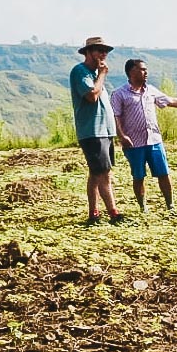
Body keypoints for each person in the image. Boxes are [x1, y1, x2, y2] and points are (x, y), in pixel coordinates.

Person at [110, 58, 177, 213]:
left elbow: (169, 100)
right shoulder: (119, 94)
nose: (146, 72)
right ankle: (143, 207)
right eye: (142, 69)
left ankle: (170, 205)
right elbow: (115, 116)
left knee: (163, 173)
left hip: (154, 140)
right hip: (134, 143)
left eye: (146, 69)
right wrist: (122, 136)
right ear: (131, 72)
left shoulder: (150, 90)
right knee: (138, 176)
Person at [69, 36, 124, 224]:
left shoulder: (94, 74)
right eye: (99, 50)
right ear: (88, 52)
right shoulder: (81, 72)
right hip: (92, 131)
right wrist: (102, 75)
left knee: (96, 173)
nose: (103, 54)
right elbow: (91, 96)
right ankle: (114, 214)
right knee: (103, 173)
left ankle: (94, 214)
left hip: (104, 131)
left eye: (105, 51)